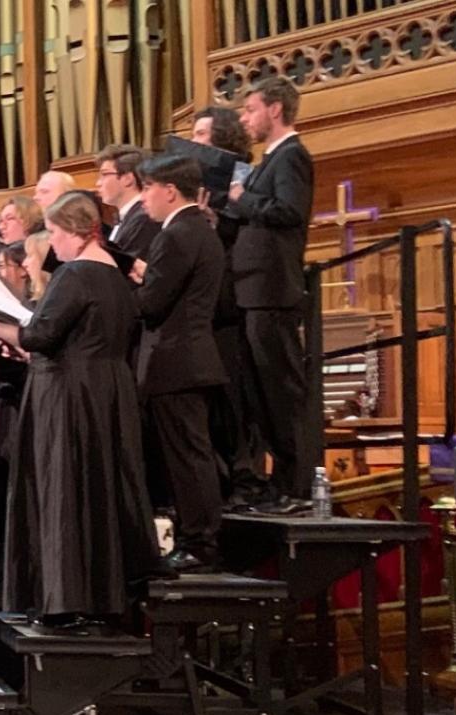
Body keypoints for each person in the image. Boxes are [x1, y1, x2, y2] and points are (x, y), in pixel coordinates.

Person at [0, 193, 161, 631]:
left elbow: (40, 334)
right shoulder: (116, 276)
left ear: (80, 232)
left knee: (64, 488)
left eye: (56, 233)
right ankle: (100, 595)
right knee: (97, 491)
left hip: (69, 395)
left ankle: (62, 600)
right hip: (107, 389)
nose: (52, 243)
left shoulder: (75, 274)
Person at [136, 154, 230, 571]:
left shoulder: (175, 235)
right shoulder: (202, 230)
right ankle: (198, 539)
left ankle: (199, 543)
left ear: (169, 190)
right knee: (193, 455)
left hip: (176, 363)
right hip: (191, 358)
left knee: (189, 459)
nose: (143, 200)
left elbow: (153, 306)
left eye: (147, 189)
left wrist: (132, 283)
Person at [226, 76, 315, 509]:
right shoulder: (270, 160)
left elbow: (288, 211)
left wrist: (242, 199)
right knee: (262, 393)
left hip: (273, 291)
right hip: (253, 292)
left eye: (250, 109)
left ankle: (295, 486)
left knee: (281, 391)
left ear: (275, 110)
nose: (244, 119)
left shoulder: (292, 156)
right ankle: (278, 484)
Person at [193, 104, 263, 507]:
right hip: (209, 301)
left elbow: (249, 237)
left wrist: (216, 221)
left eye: (203, 135)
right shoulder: (199, 183)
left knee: (236, 394)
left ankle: (245, 476)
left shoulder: (243, 177)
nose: (196, 142)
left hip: (234, 298)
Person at [96, 144, 159, 258]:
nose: (98, 183)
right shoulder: (129, 216)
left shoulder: (143, 218)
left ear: (128, 179)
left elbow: (129, 267)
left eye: (104, 175)